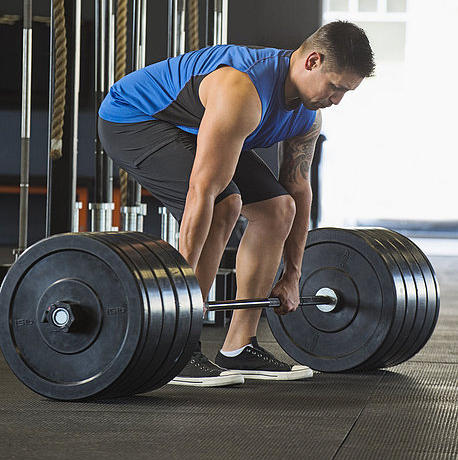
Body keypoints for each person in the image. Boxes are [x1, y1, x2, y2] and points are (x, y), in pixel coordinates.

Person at [98, 20, 375, 387]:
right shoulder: (243, 89)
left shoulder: (308, 116)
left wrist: (293, 275)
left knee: (279, 211)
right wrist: (178, 297)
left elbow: (299, 190)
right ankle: (178, 347)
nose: (337, 100)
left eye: (346, 93)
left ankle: (238, 345)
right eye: (335, 87)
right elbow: (202, 190)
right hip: (135, 119)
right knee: (225, 204)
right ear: (312, 61)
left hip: (198, 127)